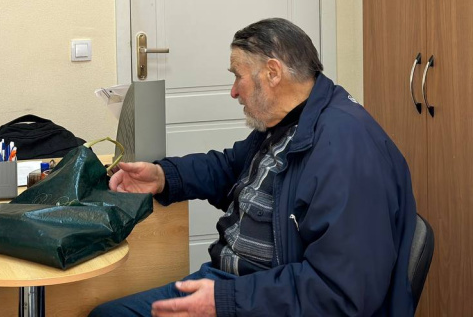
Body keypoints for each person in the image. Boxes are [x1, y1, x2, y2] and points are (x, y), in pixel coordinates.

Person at [91, 18, 416, 317]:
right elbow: (228, 168)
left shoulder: (347, 151)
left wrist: (225, 301)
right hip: (239, 288)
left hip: (258, 301)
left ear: (273, 73)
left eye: (238, 75)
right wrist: (164, 176)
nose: (233, 91)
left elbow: (340, 293)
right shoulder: (290, 122)